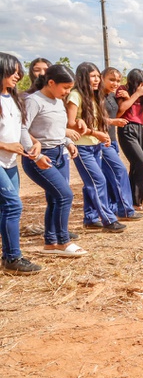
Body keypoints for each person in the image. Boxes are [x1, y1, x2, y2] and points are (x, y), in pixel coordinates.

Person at [23, 65, 83, 257]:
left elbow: (55, 129)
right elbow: (22, 129)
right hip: (42, 156)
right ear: (51, 83)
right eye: (65, 88)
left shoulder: (58, 101)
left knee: (55, 198)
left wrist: (66, 142)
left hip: (59, 154)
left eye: (69, 89)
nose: (67, 93)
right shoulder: (34, 101)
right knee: (65, 195)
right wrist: (37, 156)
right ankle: (63, 242)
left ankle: (51, 243)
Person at [66, 62, 127, 233]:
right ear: (82, 77)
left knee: (90, 184)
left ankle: (91, 218)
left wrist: (103, 136)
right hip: (82, 147)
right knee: (98, 181)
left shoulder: (94, 96)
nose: (96, 80)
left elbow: (96, 121)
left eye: (97, 76)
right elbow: (70, 123)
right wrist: (95, 133)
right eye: (92, 76)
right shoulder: (75, 96)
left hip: (95, 146)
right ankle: (108, 220)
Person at [0, 52, 44, 272]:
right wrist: (4, 146)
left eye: (19, 71)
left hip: (9, 163)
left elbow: (19, 129)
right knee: (13, 205)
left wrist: (33, 145)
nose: (17, 75)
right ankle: (12, 258)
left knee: (6, 207)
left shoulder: (14, 99)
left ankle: (8, 256)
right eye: (13, 71)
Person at [99, 67, 141, 222]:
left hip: (112, 139)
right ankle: (125, 209)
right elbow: (93, 118)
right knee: (119, 172)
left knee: (109, 177)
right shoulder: (97, 96)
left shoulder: (111, 95)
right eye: (111, 79)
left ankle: (112, 210)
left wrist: (127, 97)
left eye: (117, 80)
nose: (115, 83)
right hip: (102, 141)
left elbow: (119, 112)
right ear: (102, 78)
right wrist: (112, 122)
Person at [116, 69, 143, 212]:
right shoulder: (123, 90)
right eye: (139, 83)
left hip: (139, 128)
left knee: (136, 166)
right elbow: (121, 110)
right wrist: (136, 94)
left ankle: (134, 202)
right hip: (126, 127)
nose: (141, 85)